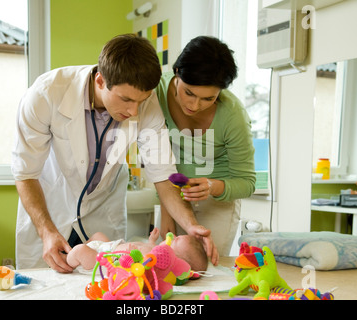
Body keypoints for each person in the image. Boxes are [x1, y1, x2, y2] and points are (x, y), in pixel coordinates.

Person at [12, 34, 218, 273]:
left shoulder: (146, 103)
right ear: (100, 80)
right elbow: (25, 172)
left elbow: (163, 175)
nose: (133, 111)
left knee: (113, 285)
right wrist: (46, 231)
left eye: (141, 101)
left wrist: (191, 226)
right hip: (52, 206)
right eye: (126, 99)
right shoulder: (46, 94)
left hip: (102, 213)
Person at [156, 36, 256, 256]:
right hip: (172, 198)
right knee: (166, 264)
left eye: (208, 99)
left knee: (204, 269)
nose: (194, 105)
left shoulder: (233, 116)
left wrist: (212, 186)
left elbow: (247, 182)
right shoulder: (157, 93)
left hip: (216, 204)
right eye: (189, 93)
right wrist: (166, 211)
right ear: (176, 71)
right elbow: (160, 164)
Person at [66, 227, 208, 272]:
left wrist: (134, 259)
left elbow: (140, 266)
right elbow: (149, 247)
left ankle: (68, 263)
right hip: (110, 247)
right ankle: (84, 252)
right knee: (99, 235)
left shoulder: (155, 261)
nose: (173, 236)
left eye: (176, 240)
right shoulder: (156, 249)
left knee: (80, 250)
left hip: (106, 262)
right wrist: (152, 239)